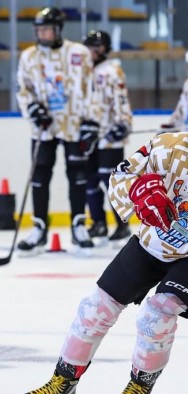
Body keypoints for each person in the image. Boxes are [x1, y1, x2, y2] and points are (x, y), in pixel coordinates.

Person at [15, 88, 188, 394]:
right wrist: (139, 193)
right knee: (96, 306)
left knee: (159, 312)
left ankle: (140, 384)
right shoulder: (168, 148)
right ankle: (63, 381)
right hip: (152, 242)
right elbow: (121, 176)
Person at [16, 7, 99, 251]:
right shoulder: (29, 56)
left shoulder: (78, 53)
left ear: (58, 29)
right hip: (43, 126)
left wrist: (91, 121)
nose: (42, 33)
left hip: (73, 122)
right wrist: (32, 108)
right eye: (38, 29)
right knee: (40, 172)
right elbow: (23, 88)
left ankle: (78, 225)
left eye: (46, 29)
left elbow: (89, 88)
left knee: (77, 172)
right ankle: (39, 227)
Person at [82, 30, 133, 243]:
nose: (93, 51)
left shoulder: (112, 71)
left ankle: (122, 225)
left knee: (109, 180)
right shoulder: (83, 72)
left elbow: (121, 100)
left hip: (110, 136)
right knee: (89, 179)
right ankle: (98, 223)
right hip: (89, 135)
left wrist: (123, 123)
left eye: (97, 46)